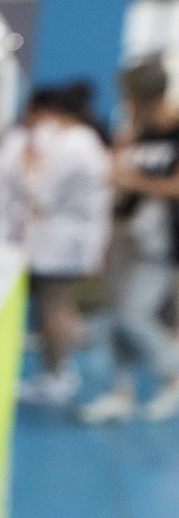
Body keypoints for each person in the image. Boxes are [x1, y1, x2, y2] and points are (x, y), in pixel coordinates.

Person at [80, 59, 179, 423]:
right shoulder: (139, 130)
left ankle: (171, 370)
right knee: (114, 317)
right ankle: (120, 390)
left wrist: (133, 181)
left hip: (159, 241)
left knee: (132, 315)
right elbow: (118, 171)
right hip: (125, 232)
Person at [17, 83, 112, 405]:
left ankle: (58, 374)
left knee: (54, 308)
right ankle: (59, 369)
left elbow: (43, 195)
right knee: (59, 307)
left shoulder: (71, 146)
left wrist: (30, 169)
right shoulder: (84, 141)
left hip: (62, 242)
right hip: (68, 238)